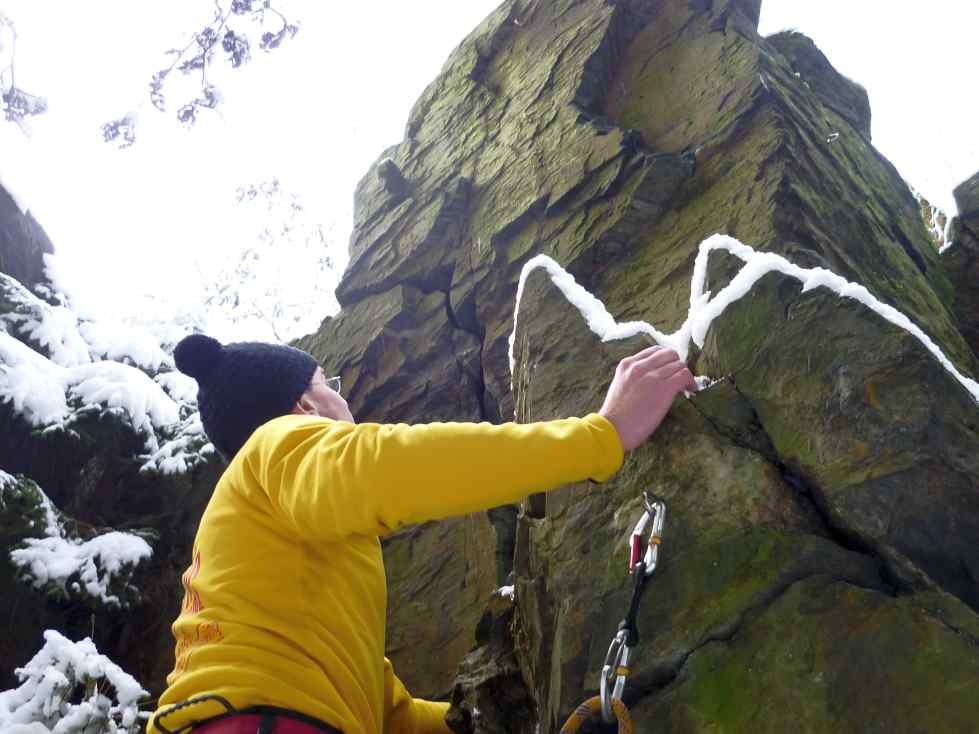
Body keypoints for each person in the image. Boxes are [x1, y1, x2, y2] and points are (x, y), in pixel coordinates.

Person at [149, 333, 696, 734]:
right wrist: (601, 436)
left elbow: (394, 718)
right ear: (304, 405)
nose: (344, 401)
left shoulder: (273, 568)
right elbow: (395, 467)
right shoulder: (278, 446)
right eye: (328, 385)